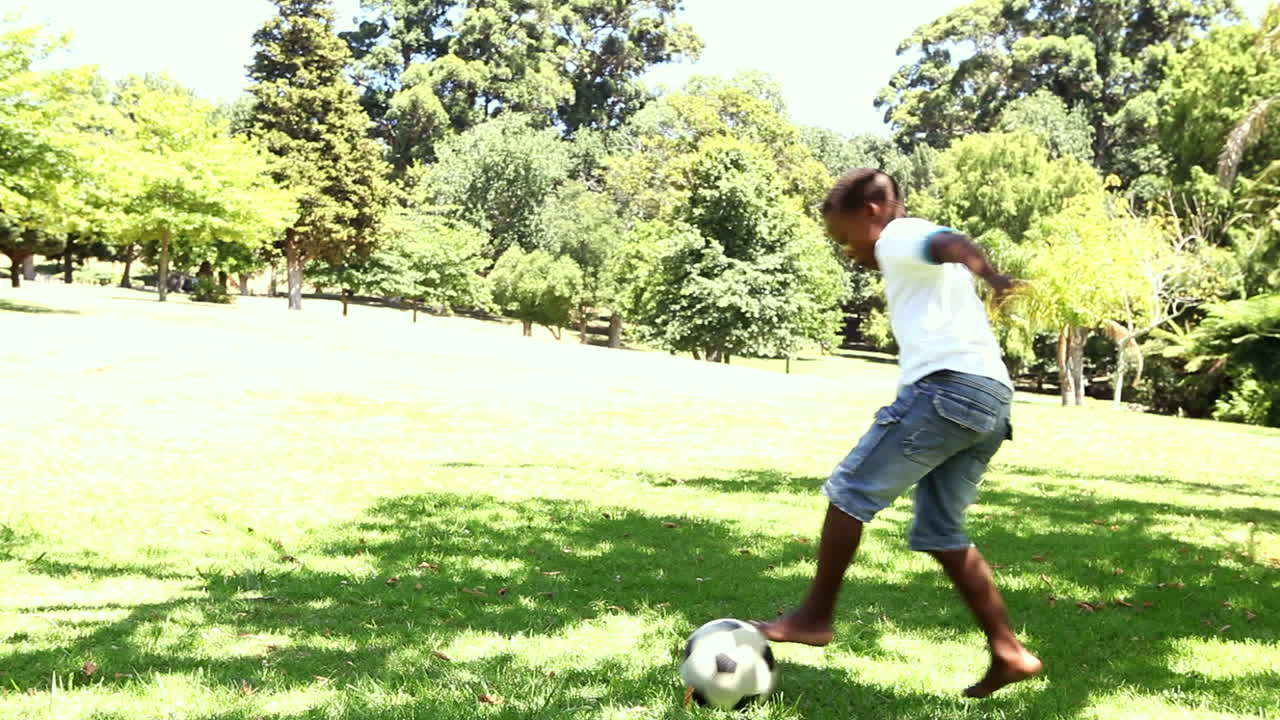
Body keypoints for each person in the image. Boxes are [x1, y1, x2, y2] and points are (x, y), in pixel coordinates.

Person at [756, 169, 1043, 698]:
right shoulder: (905, 254)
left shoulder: (898, 236)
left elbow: (950, 243)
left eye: (845, 237)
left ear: (872, 211)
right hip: (990, 401)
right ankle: (1010, 651)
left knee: (848, 493)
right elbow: (949, 248)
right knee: (940, 529)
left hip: (947, 390)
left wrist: (996, 278)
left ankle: (814, 618)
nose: (848, 252)